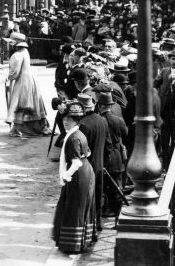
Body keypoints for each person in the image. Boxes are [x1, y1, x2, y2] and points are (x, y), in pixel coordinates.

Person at [52, 102, 97, 254]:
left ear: (76, 121)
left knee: (73, 207)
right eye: (64, 119)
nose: (65, 122)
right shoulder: (79, 134)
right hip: (86, 172)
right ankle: (82, 240)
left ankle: (72, 244)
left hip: (78, 175)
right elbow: (88, 153)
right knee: (79, 206)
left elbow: (76, 162)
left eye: (69, 120)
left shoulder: (73, 138)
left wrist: (66, 174)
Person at [5, 34, 52, 137]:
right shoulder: (25, 52)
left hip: (23, 81)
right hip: (31, 79)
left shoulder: (17, 55)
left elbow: (14, 73)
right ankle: (34, 126)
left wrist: (8, 77)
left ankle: (22, 128)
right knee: (31, 101)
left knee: (21, 102)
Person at [76, 93, 108, 232]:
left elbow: (82, 150)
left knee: (86, 197)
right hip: (100, 163)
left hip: (87, 166)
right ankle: (98, 222)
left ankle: (88, 228)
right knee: (98, 194)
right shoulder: (102, 120)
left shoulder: (83, 125)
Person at [96, 92, 127, 217]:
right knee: (117, 183)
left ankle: (112, 209)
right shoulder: (118, 120)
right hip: (118, 155)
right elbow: (125, 133)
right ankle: (115, 208)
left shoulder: (101, 121)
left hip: (106, 155)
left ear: (101, 106)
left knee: (108, 185)